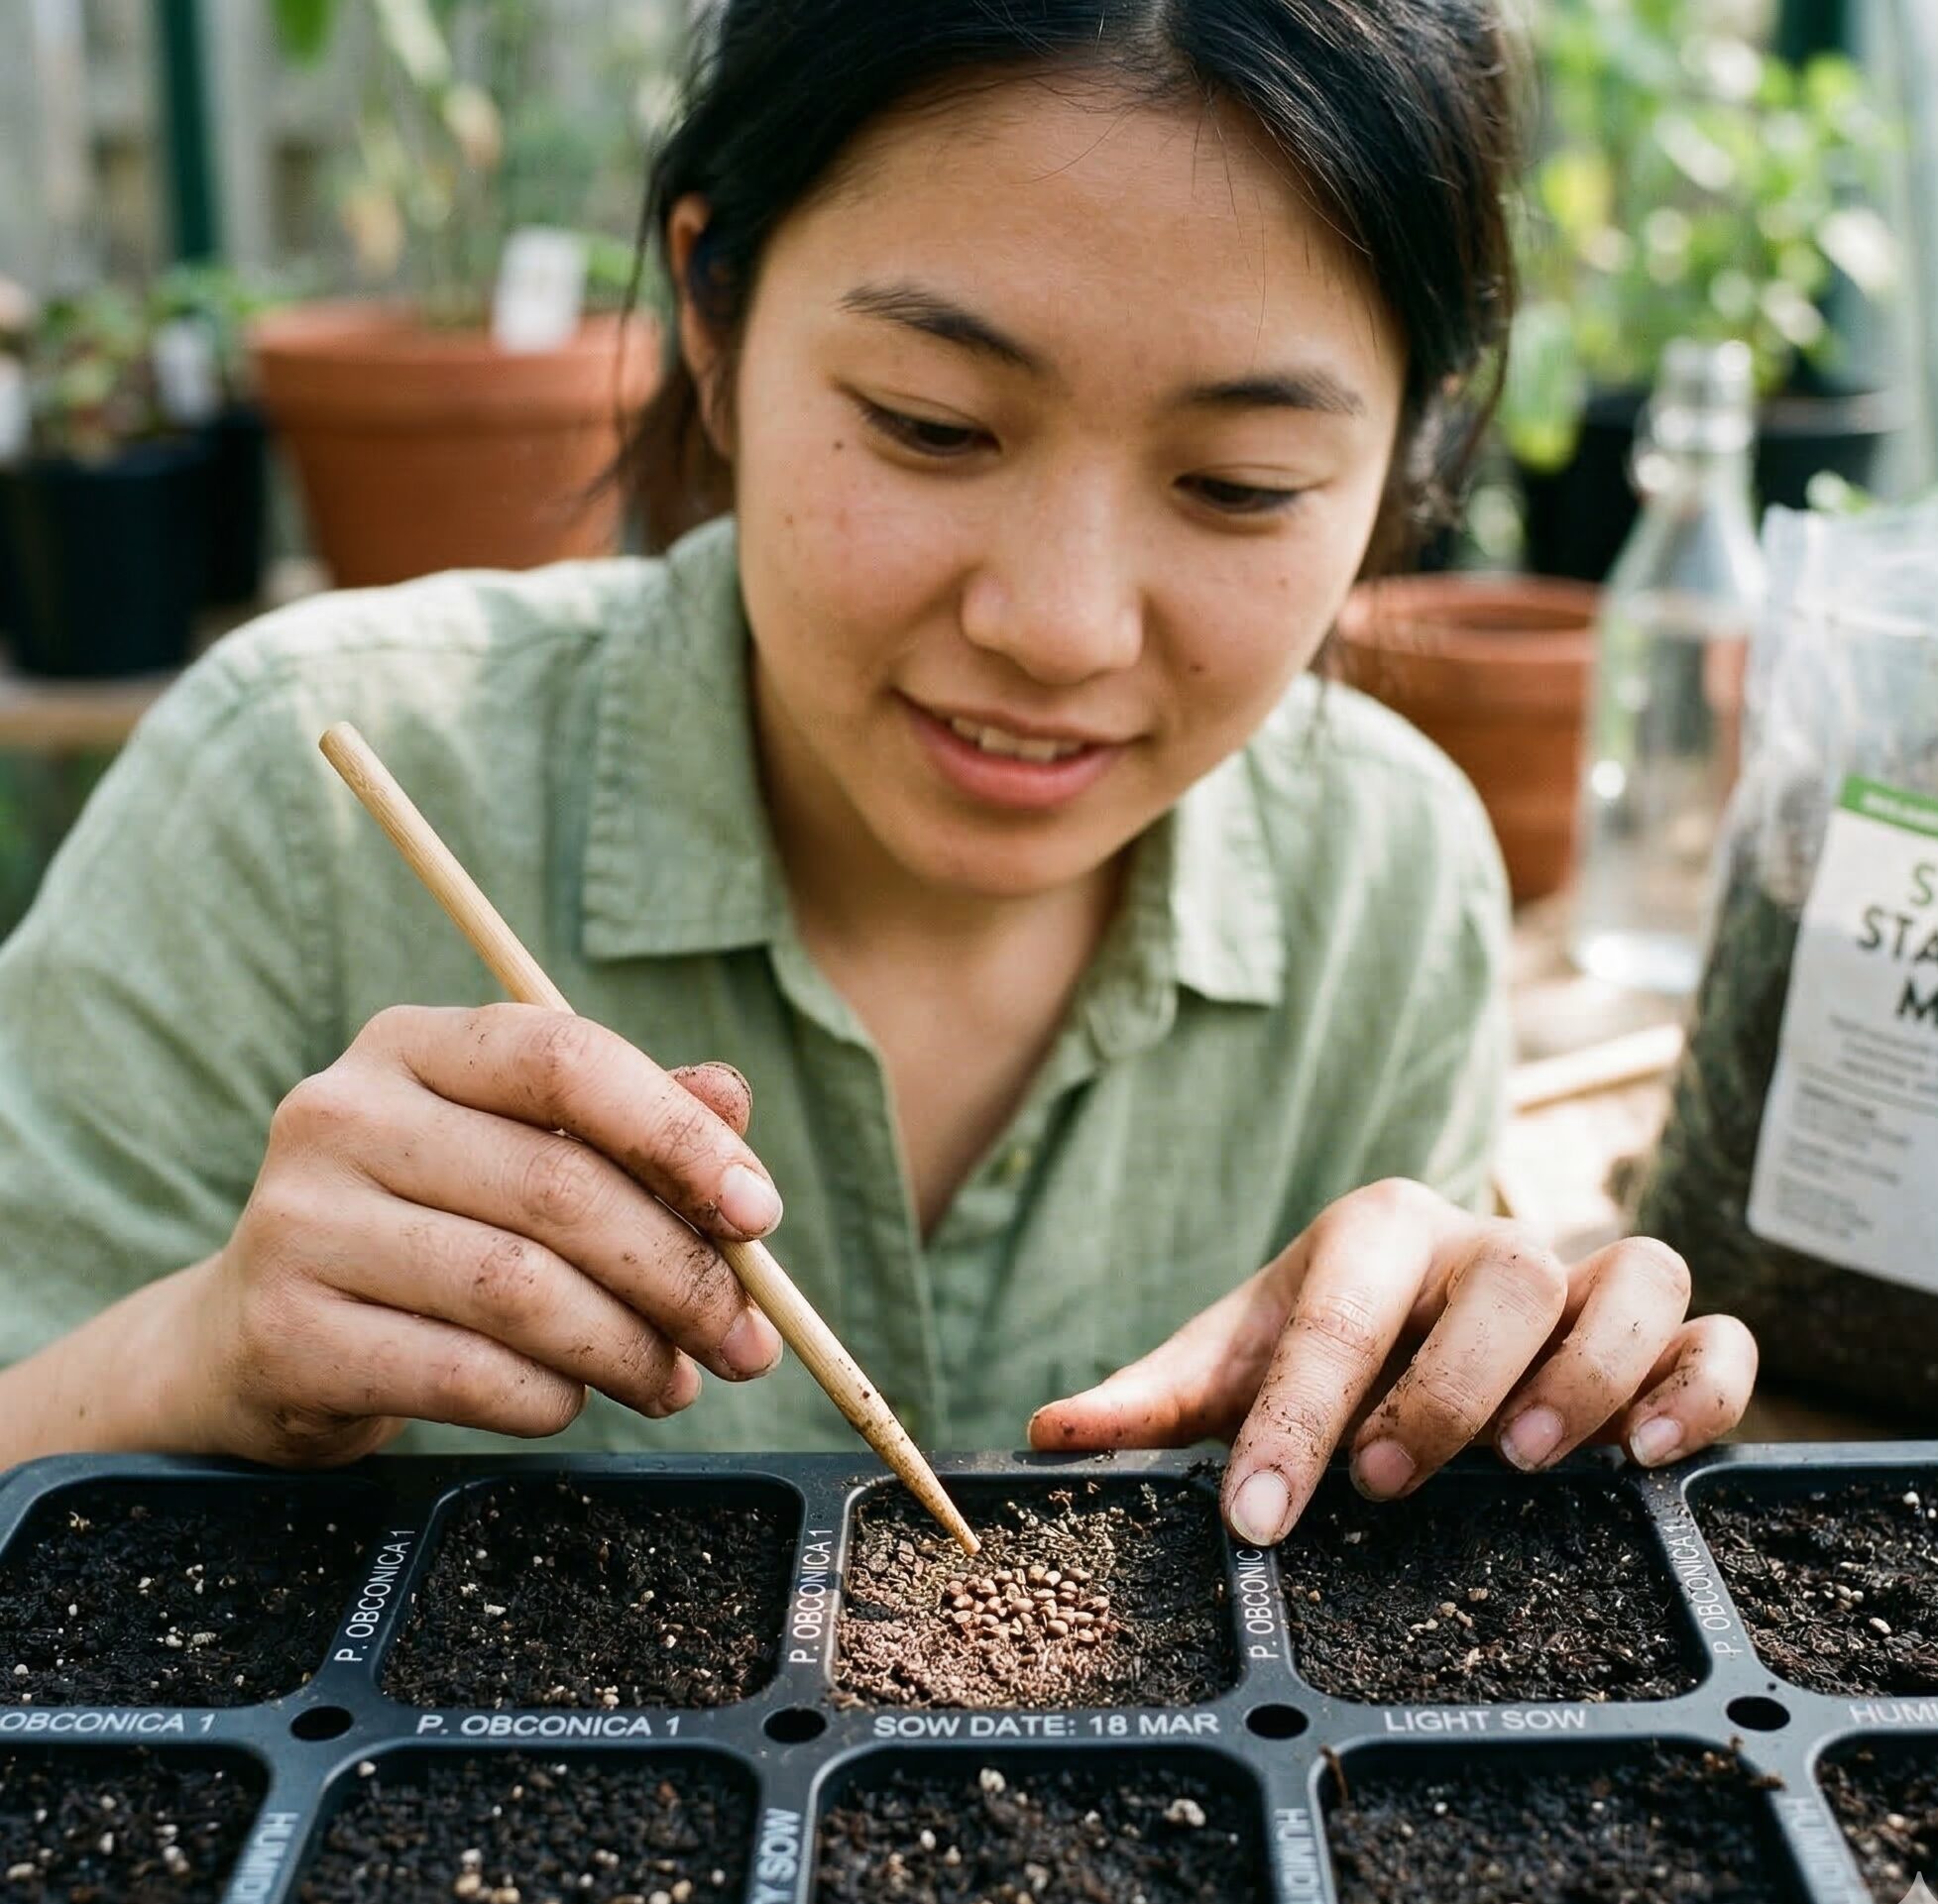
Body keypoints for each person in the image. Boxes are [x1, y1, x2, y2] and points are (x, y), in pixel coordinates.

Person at [0, 0, 1755, 1545]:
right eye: (931, 425)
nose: (1059, 627)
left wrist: (1479, 1397)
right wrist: (202, 1348)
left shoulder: (1387, 873)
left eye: (1240, 482)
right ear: (714, 312)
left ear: (1409, 450)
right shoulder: (299, 800)